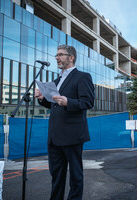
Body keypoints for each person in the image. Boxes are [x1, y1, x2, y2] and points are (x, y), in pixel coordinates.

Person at [35, 45, 95, 200]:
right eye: (56, 55)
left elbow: (87, 102)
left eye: (60, 55)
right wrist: (42, 98)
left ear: (71, 57)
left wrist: (69, 102)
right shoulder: (56, 81)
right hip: (55, 136)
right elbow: (55, 104)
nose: (57, 57)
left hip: (73, 134)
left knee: (75, 176)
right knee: (56, 176)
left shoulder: (83, 77)